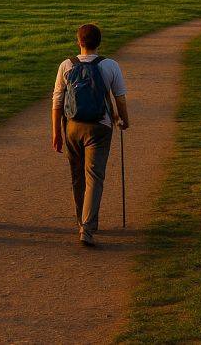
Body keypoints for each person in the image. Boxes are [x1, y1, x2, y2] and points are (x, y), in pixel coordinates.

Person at [51, 23, 130, 247]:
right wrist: (123, 120)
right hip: (100, 127)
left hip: (72, 127)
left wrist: (57, 132)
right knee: (94, 176)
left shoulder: (67, 65)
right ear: (99, 42)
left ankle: (81, 220)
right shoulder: (110, 65)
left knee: (77, 176)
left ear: (79, 42)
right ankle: (87, 226)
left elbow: (57, 101)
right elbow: (119, 98)